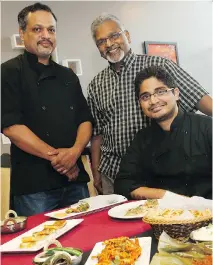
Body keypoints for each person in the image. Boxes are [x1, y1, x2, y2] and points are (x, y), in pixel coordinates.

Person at [87, 13, 212, 195]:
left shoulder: (158, 64)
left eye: (114, 35)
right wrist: (96, 172)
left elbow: (201, 99)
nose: (109, 44)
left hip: (157, 171)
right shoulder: (96, 84)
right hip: (113, 173)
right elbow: (97, 134)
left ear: (127, 36)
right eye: (101, 41)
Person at [1, 2, 93, 216]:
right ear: (22, 34)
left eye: (51, 30)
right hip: (34, 188)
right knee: (41, 247)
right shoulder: (8, 72)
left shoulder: (68, 76)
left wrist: (75, 152)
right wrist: (61, 160)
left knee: (85, 241)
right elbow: (11, 128)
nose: (46, 35)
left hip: (75, 182)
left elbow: (85, 120)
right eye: (37, 29)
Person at [114, 66, 212, 199]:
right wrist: (164, 195)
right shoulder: (142, 139)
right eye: (145, 96)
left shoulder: (207, 127)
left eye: (160, 92)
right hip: (161, 214)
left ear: (176, 93)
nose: (153, 101)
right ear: (139, 103)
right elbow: (123, 184)